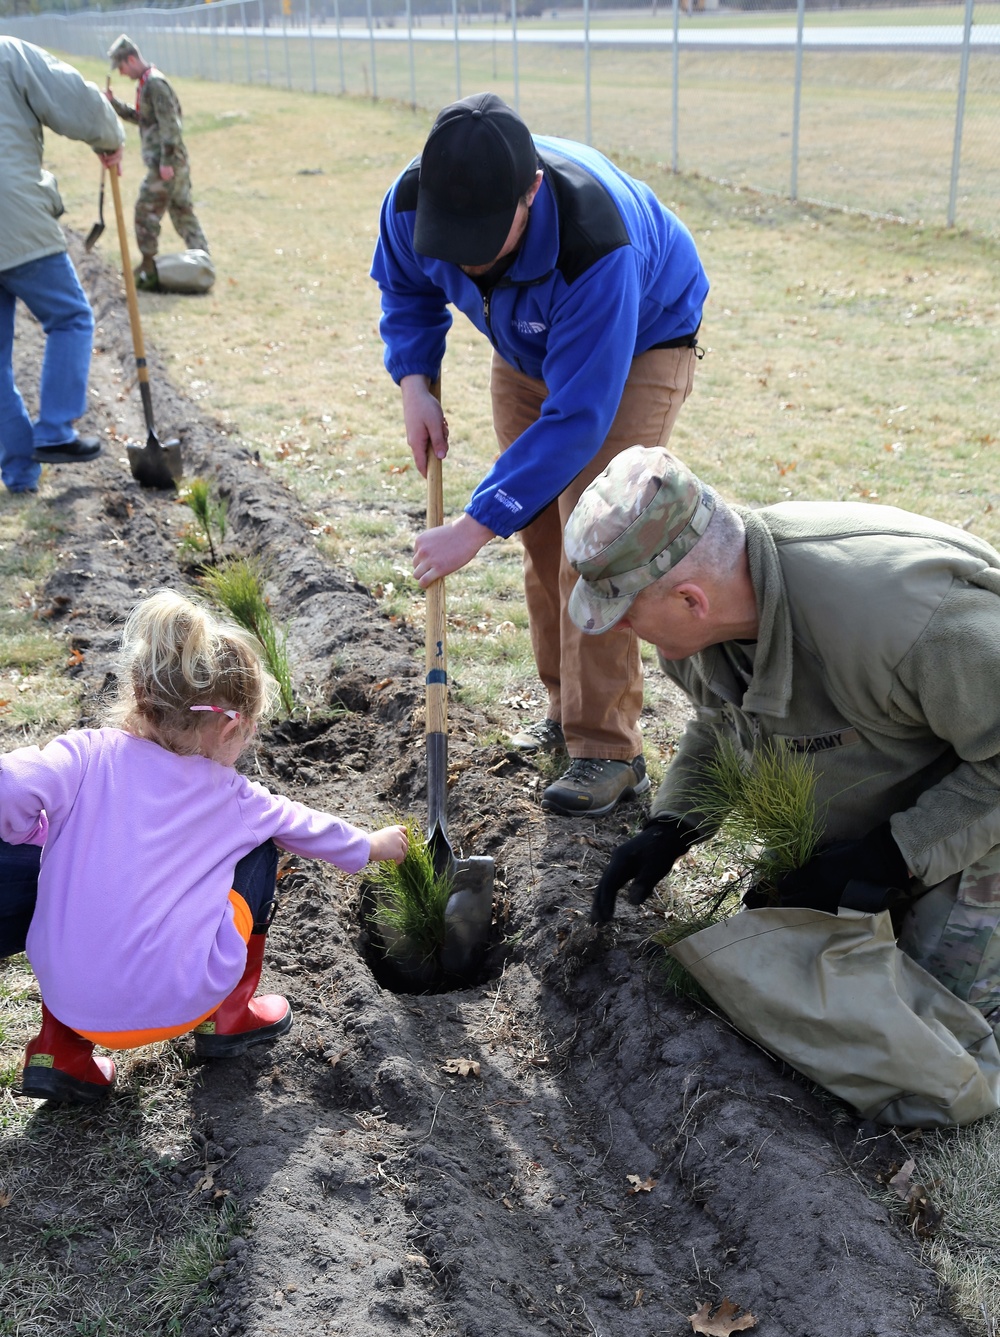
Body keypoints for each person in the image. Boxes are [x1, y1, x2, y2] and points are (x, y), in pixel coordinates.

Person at [569, 445, 1000, 1017]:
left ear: (690, 598)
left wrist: (891, 856)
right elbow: (719, 722)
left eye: (624, 610)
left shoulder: (906, 622)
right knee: (790, 994)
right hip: (884, 806)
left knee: (935, 1032)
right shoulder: (697, 631)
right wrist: (674, 823)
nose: (618, 628)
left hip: (977, 818)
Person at [371, 93, 709, 817]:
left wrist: (471, 525)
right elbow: (405, 289)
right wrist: (414, 382)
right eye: (453, 236)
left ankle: (608, 750)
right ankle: (564, 711)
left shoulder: (596, 243)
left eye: (485, 235)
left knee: (598, 544)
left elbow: (579, 419)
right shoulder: (409, 202)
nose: (468, 253)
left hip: (638, 339)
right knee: (541, 532)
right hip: (525, 346)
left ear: (531, 192)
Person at [0, 590, 408, 1106]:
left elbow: (9, 786)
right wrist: (372, 845)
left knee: (67, 865)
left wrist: (28, 834)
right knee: (260, 850)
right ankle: (229, 1016)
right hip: (180, 1001)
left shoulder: (85, 756)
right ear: (230, 726)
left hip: (71, 997)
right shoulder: (236, 798)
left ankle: (58, 1050)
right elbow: (308, 828)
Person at [0, 38, 124, 494]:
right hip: (15, 219)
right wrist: (108, 137)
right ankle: (54, 430)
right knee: (70, 317)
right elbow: (73, 97)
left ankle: (18, 473)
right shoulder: (8, 53)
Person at [106, 35, 210, 291]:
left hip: (167, 165)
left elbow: (170, 126)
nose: (120, 72)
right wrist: (115, 105)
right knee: (182, 211)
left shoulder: (154, 84)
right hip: (173, 163)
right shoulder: (146, 84)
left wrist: (166, 162)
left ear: (131, 59)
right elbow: (145, 118)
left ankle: (149, 269)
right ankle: (203, 261)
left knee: (145, 212)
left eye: (121, 67)